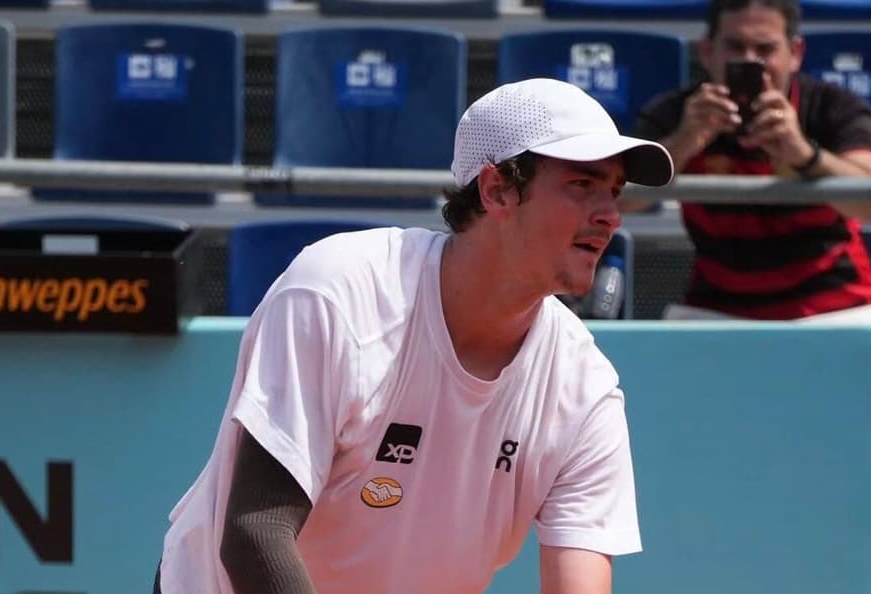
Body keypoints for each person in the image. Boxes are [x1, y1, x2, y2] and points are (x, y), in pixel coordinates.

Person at [153, 77, 674, 594]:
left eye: (613, 191)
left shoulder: (585, 384)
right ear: (497, 190)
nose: (609, 216)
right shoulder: (339, 290)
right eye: (582, 185)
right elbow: (255, 534)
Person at [622, 0, 871, 321]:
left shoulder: (834, 107)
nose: (750, 61)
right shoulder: (678, 112)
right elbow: (616, 200)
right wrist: (681, 144)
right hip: (717, 308)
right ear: (708, 52)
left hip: (835, 305)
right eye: (735, 46)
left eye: (765, 49)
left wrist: (804, 155)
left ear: (796, 53)